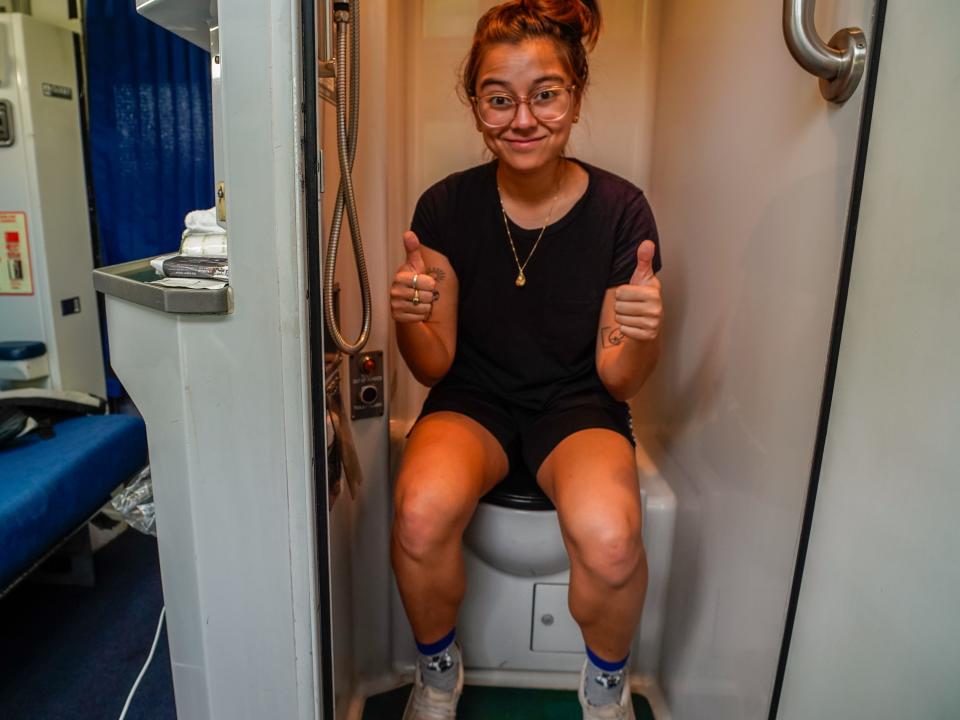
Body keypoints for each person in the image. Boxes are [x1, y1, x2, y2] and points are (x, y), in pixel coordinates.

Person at [390, 1, 662, 718]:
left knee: (611, 540)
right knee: (419, 513)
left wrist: (641, 333)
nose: (523, 118)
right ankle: (438, 673)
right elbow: (432, 364)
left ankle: (606, 688)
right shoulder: (445, 207)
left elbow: (619, 378)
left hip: (577, 404)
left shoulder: (620, 209)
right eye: (498, 98)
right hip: (472, 399)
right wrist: (411, 318)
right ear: (474, 103)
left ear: (575, 93)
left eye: (546, 94)